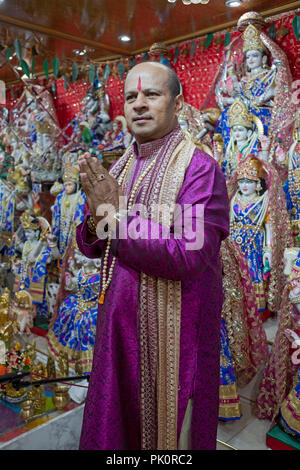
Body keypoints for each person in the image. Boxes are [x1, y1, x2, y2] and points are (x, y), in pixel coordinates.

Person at [76, 61, 229, 450]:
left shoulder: (200, 170)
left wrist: (114, 215)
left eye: (152, 94)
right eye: (131, 97)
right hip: (118, 336)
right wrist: (98, 217)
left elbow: (187, 254)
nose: (139, 104)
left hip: (173, 347)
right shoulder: (122, 165)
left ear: (177, 103)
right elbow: (90, 244)